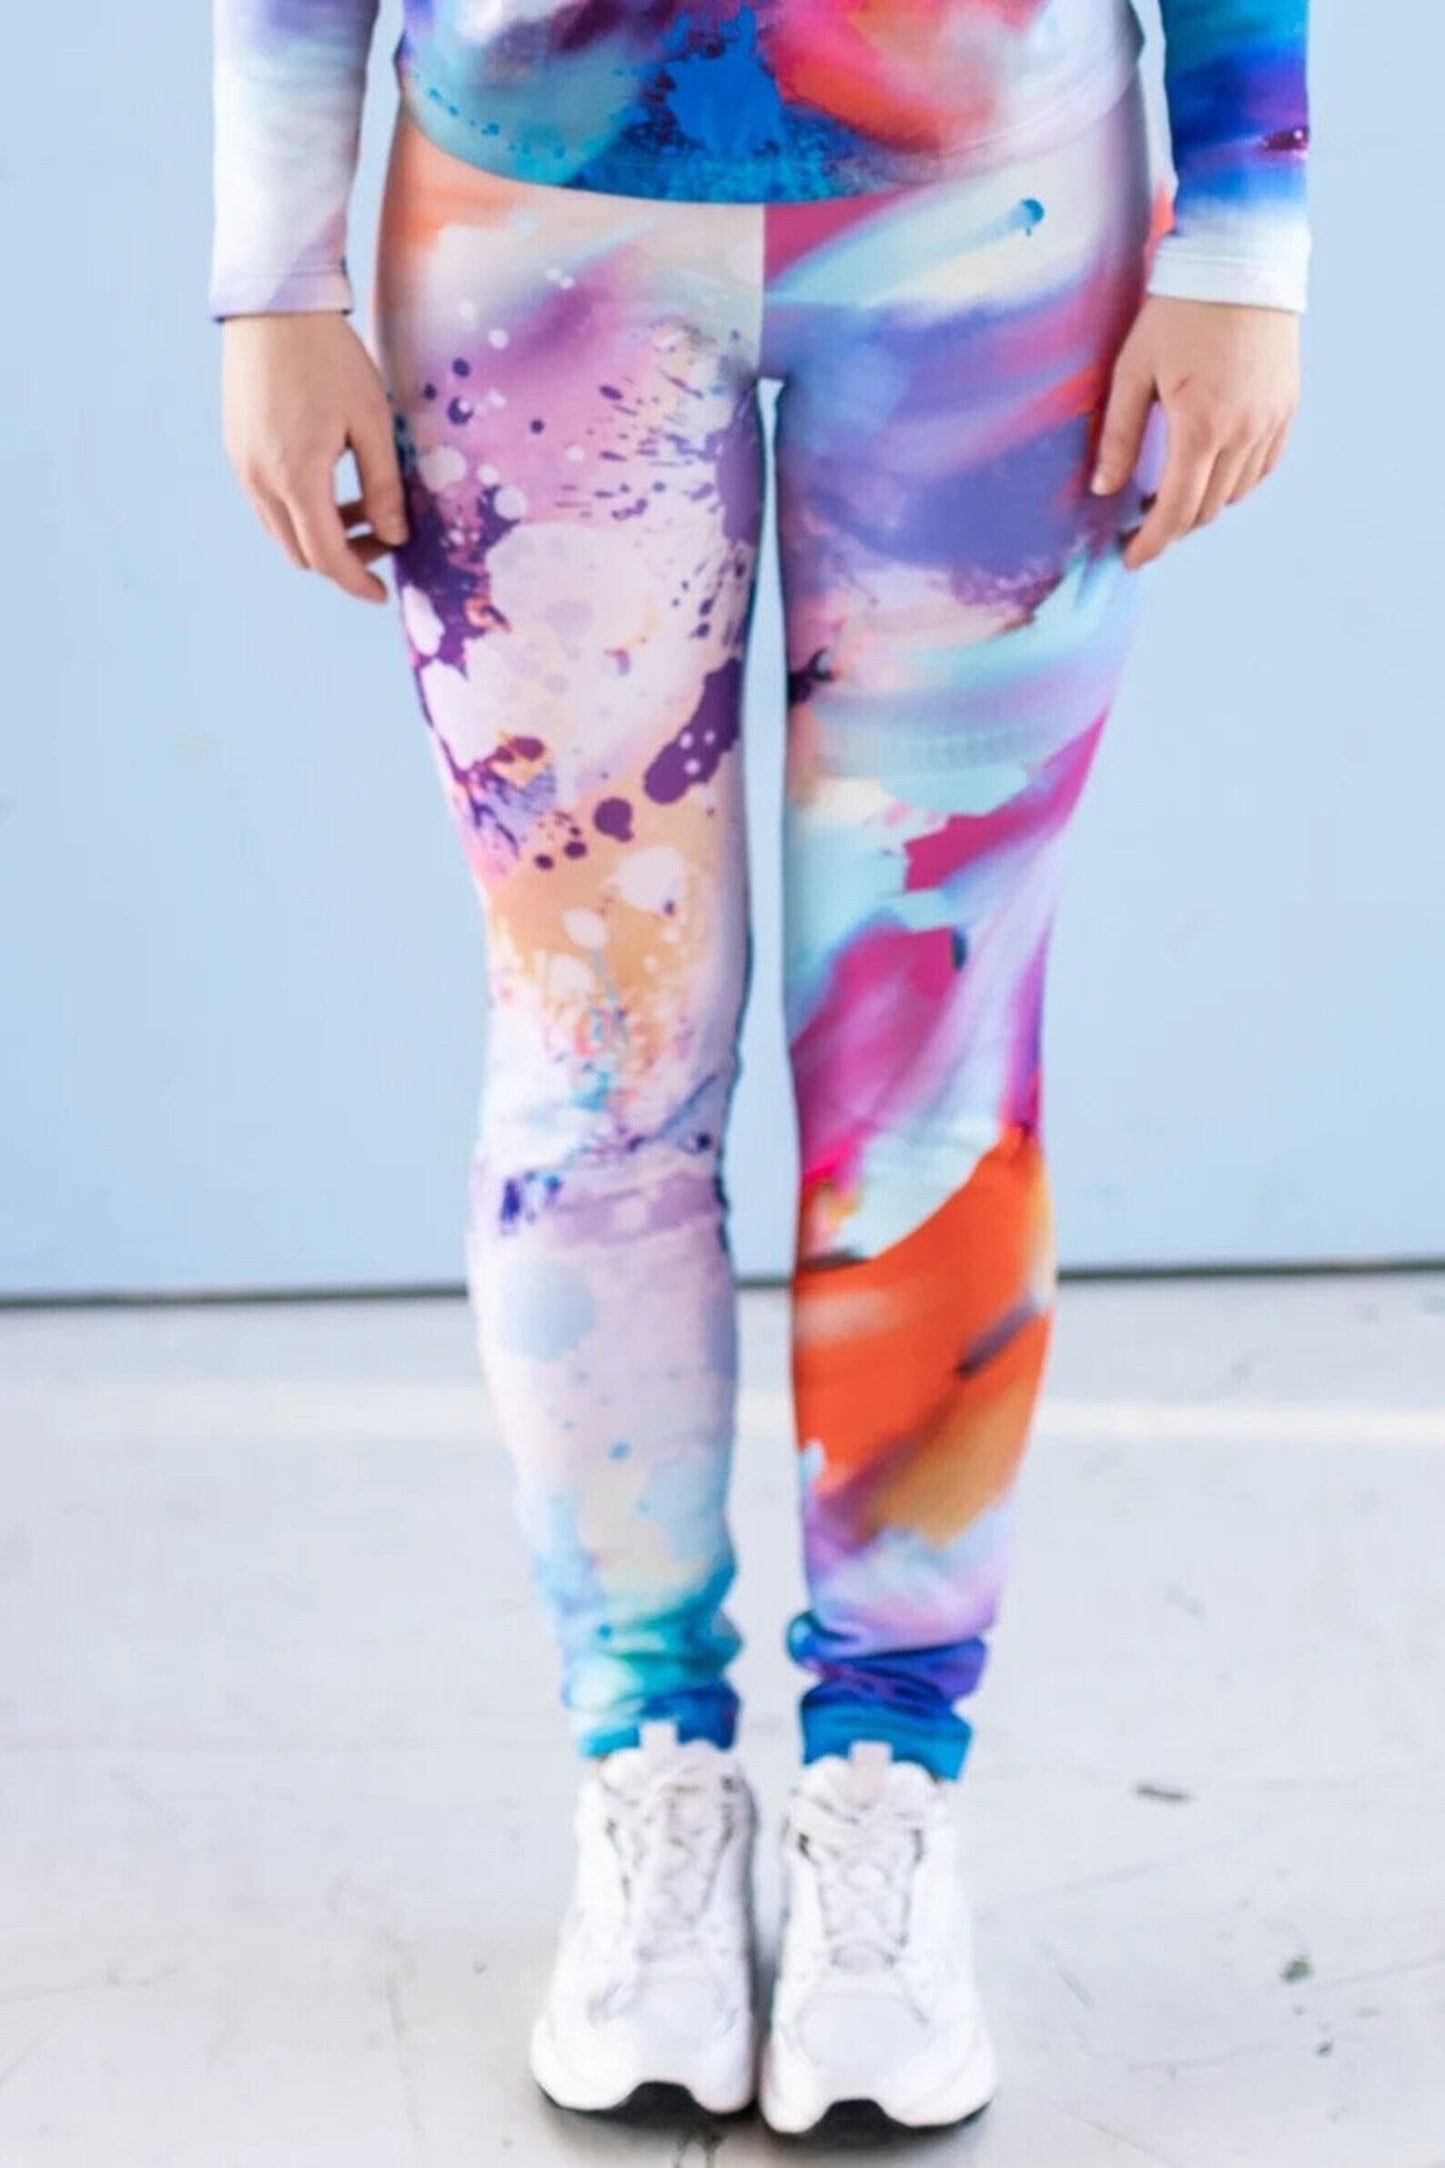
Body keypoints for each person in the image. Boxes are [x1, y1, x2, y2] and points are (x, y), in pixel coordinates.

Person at [210, 0, 1309, 2136]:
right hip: (532, 221)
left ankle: (890, 1785)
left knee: (931, 1066)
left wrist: (1247, 231)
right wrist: (272, 267)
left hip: (999, 214)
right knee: (596, 1060)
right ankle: (650, 1780)